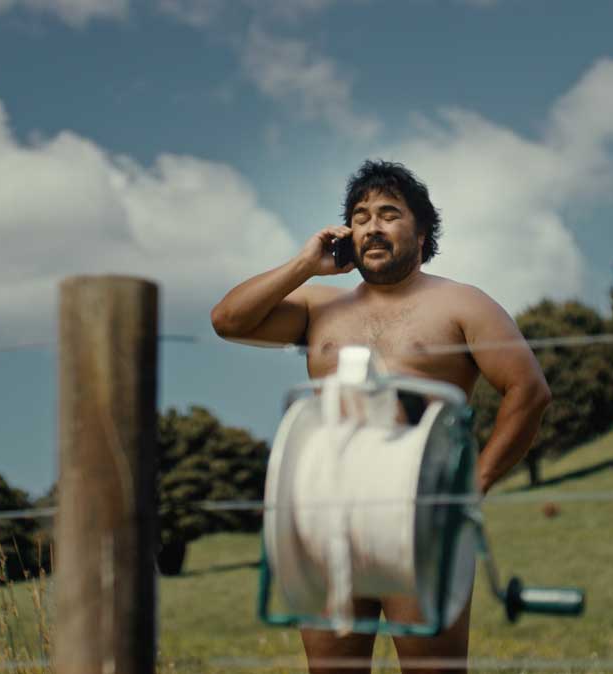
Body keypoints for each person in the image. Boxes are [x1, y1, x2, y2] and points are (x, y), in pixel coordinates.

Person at [210, 159, 551, 674]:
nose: (371, 225)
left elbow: (528, 392)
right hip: (325, 509)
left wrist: (470, 485)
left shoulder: (464, 303)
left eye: (389, 214)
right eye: (360, 215)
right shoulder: (317, 306)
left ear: (422, 233)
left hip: (421, 511)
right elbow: (228, 320)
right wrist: (305, 265)